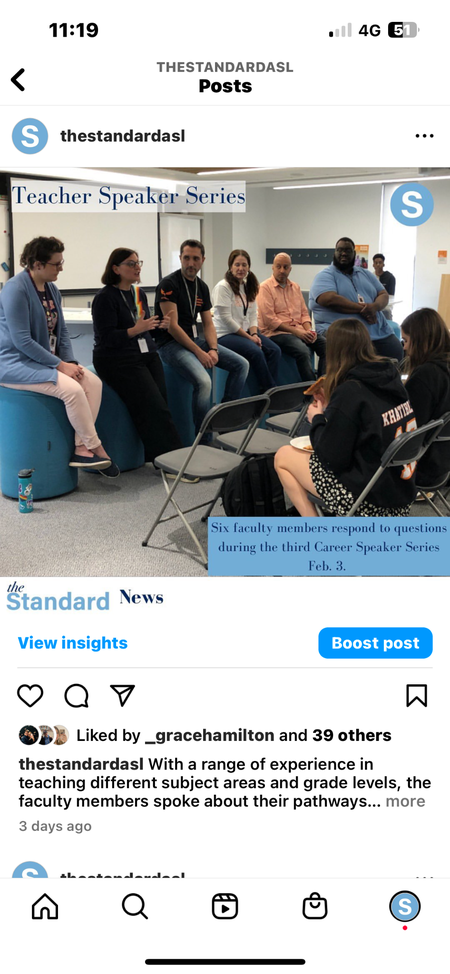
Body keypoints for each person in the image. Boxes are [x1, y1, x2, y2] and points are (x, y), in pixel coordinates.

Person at [275, 318, 417, 517]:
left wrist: (317, 419)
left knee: (282, 456)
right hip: (400, 494)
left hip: (370, 503)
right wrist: (331, 407)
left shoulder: (351, 391)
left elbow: (331, 459)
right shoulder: (390, 377)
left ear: (333, 350)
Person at [0, 236, 118, 476]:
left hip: (44, 362)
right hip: (15, 363)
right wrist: (60, 366)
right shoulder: (15, 289)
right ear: (37, 264)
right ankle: (96, 448)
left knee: (93, 383)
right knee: (72, 390)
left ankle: (82, 449)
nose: (61, 269)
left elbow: (61, 331)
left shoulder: (51, 289)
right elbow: (22, 341)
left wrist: (70, 362)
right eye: (56, 264)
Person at [92, 248, 186, 468]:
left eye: (138, 263)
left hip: (144, 354)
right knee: (155, 407)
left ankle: (154, 456)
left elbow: (144, 329)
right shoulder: (104, 298)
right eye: (131, 263)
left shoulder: (138, 293)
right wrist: (135, 330)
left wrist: (160, 326)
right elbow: (107, 338)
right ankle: (174, 462)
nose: (137, 267)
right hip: (116, 358)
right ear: (116, 269)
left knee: (161, 403)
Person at [154, 240, 249, 436]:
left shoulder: (202, 287)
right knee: (204, 382)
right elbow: (172, 327)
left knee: (242, 365)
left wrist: (213, 349)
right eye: (186, 258)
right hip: (170, 344)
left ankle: (224, 419)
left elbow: (208, 323)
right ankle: (204, 437)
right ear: (180, 258)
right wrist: (200, 353)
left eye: (196, 259)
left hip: (193, 340)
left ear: (202, 260)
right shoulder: (168, 284)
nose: (191, 263)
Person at [309, 238, 403, 360]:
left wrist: (374, 307)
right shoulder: (325, 275)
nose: (343, 253)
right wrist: (364, 309)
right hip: (344, 331)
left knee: (396, 351)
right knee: (360, 360)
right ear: (334, 253)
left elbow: (383, 294)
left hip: (377, 331)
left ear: (354, 254)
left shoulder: (365, 274)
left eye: (348, 250)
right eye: (340, 250)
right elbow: (329, 299)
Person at [213, 250, 281, 390]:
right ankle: (270, 390)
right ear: (230, 267)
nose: (241, 268)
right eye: (237, 264)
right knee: (256, 351)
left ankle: (266, 391)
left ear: (249, 267)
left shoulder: (247, 286)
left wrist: (254, 334)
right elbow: (226, 319)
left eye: (244, 265)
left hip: (245, 333)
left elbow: (252, 315)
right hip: (224, 334)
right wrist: (249, 338)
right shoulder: (223, 287)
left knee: (275, 350)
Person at [257, 253, 326, 380]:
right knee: (303, 351)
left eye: (285, 267)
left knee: (326, 346)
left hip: (298, 330)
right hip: (276, 333)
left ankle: (323, 383)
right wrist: (298, 332)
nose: (282, 270)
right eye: (278, 266)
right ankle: (311, 388)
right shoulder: (264, 288)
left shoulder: (295, 287)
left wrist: (308, 331)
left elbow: (304, 314)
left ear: (290, 269)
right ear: (273, 267)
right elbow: (270, 320)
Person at [402, 308, 450, 488]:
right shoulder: (444, 368)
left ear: (420, 340)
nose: (404, 347)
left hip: (423, 466)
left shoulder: (426, 375)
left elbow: (410, 429)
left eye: (406, 341)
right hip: (443, 463)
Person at [373, 253, 396, 319]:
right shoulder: (370, 277)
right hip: (373, 310)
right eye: (376, 263)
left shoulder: (390, 277)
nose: (378, 265)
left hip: (386, 310)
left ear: (383, 264)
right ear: (373, 265)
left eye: (380, 262)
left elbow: (391, 297)